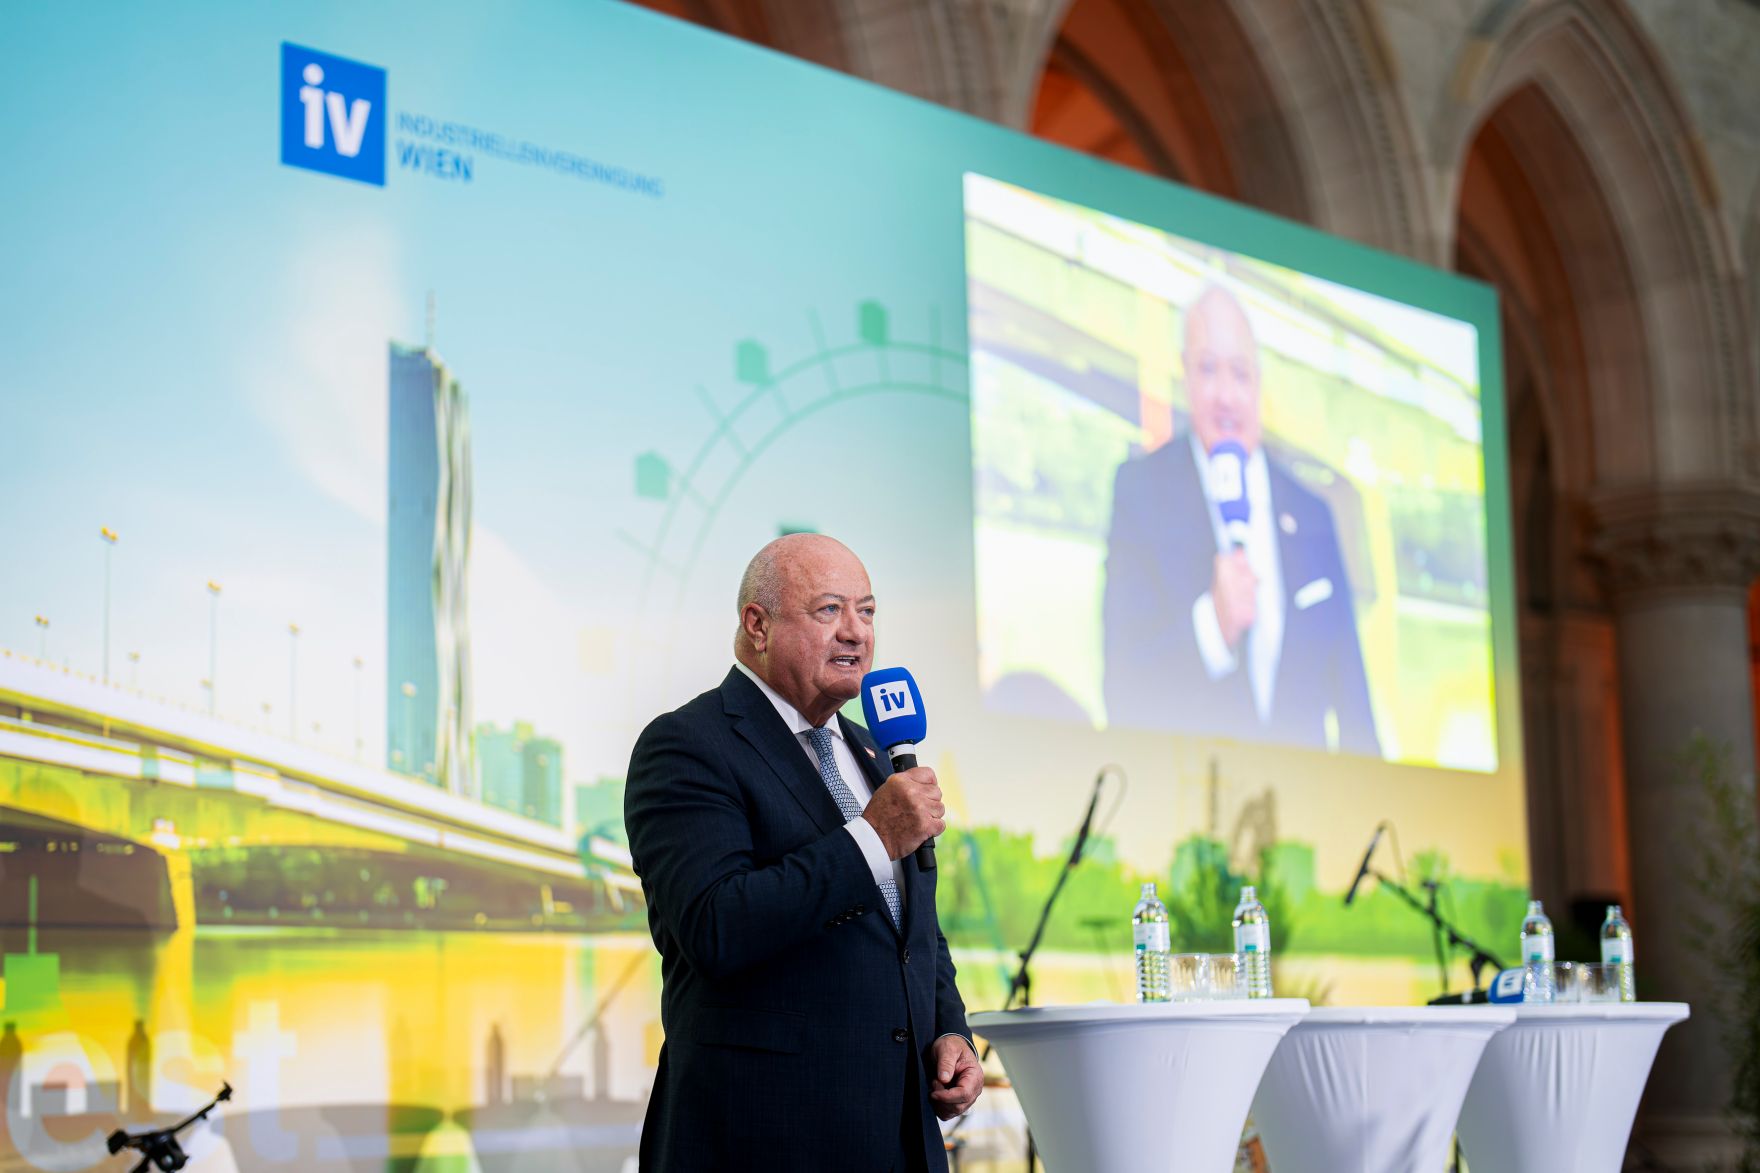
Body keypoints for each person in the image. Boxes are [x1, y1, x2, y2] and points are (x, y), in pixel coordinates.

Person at [625, 534, 982, 1172]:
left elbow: (910, 926)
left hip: (900, 1137)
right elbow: (715, 925)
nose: (856, 633)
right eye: (829, 611)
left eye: (867, 612)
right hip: (764, 1139)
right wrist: (871, 838)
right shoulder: (687, 746)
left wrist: (948, 1029)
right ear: (757, 625)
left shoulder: (876, 752)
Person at [1102, 284, 1381, 757]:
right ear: (1185, 374)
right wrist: (1212, 627)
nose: (1226, 396)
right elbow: (1122, 686)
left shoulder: (1312, 511)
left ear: (1259, 384)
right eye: (1209, 370)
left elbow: (1354, 707)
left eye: (1241, 373)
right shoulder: (1140, 491)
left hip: (1306, 809)